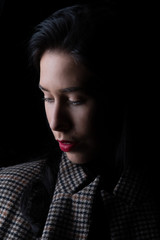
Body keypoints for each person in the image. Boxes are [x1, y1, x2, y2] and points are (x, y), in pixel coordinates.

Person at [0, 2, 160, 239]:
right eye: (48, 97)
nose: (56, 123)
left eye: (75, 100)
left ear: (118, 98)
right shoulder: (7, 191)